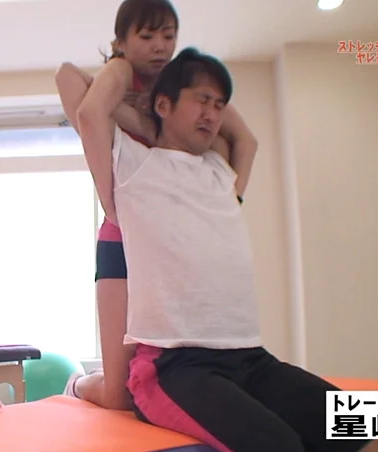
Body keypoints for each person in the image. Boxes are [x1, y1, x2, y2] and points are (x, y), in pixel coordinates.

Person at [75, 46, 378, 452]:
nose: (213, 113)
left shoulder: (220, 170)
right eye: (202, 100)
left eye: (219, 104)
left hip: (251, 359)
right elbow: (86, 104)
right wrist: (127, 63)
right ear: (163, 105)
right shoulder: (132, 165)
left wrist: (204, 102)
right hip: (173, 366)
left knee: (377, 433)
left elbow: (248, 138)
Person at [54, 0, 258, 411]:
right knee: (120, 396)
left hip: (175, 244)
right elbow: (81, 98)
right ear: (121, 42)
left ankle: (362, 427)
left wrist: (230, 201)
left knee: (190, 375)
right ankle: (78, 384)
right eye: (147, 36)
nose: (160, 46)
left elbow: (247, 141)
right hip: (123, 235)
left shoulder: (184, 90)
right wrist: (110, 200)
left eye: (168, 36)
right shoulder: (120, 76)